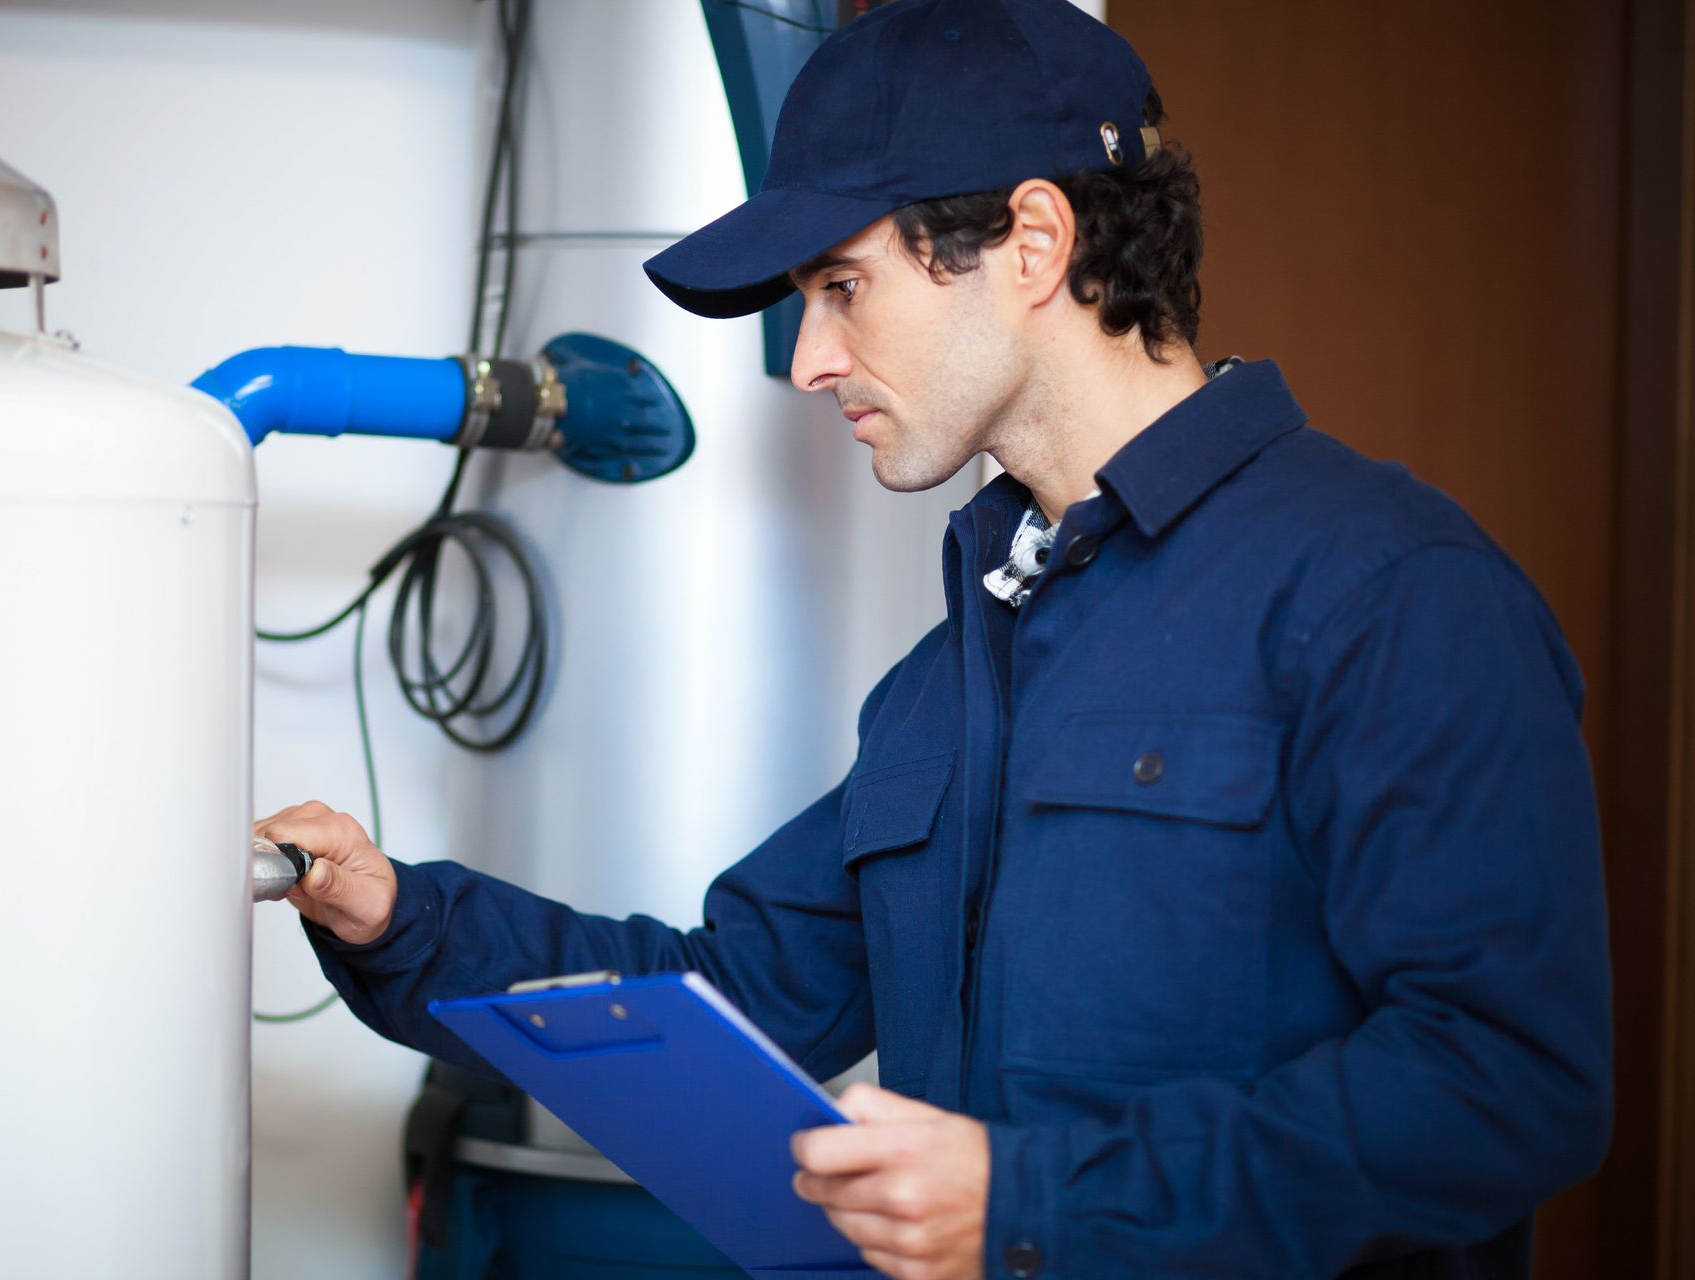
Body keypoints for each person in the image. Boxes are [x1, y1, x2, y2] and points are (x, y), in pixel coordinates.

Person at [258, 1, 1613, 1275]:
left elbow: (1504, 1086)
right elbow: (725, 998)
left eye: (843, 287)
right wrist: (400, 920)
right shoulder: (961, 665)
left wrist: (1031, 1207)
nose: (808, 362)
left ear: (1033, 242)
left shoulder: (1391, 592)